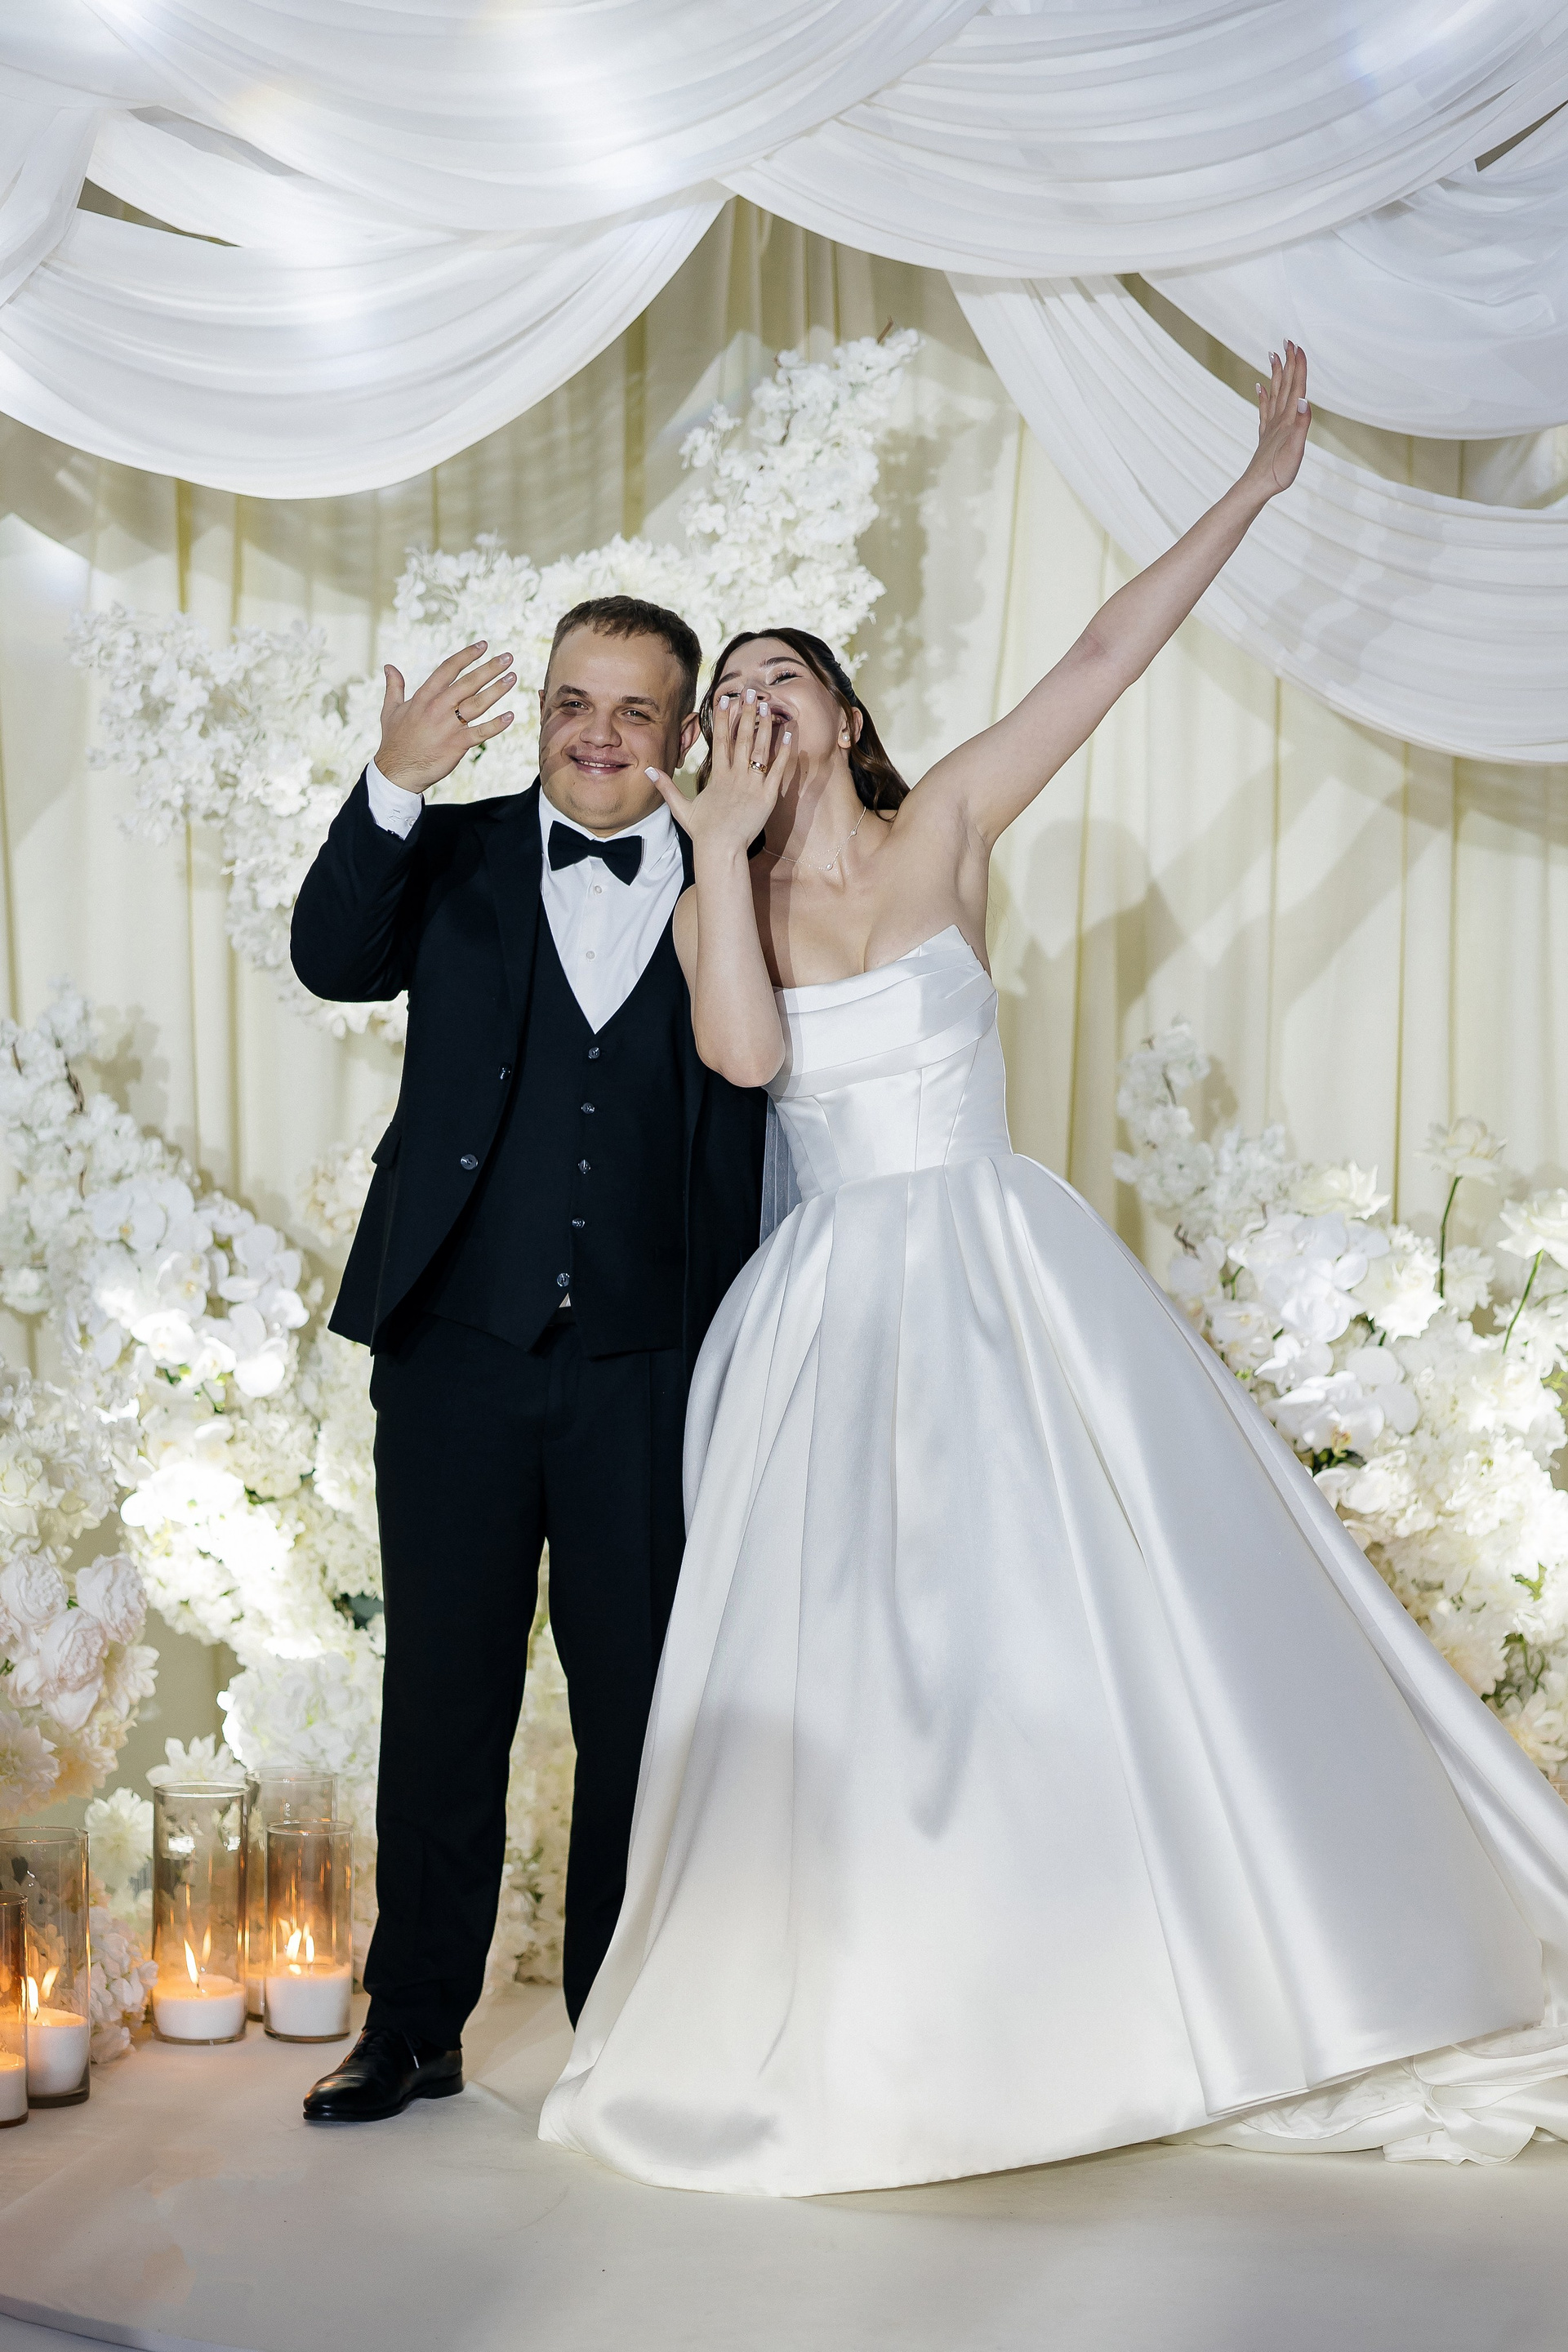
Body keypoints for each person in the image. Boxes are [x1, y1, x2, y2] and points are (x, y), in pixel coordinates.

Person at [540, 347, 1568, 2193]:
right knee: (863, 1670)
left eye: (784, 681)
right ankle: (909, 2010)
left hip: (999, 1272)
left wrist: (1254, 488)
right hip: (831, 1310)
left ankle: (1141, 1976)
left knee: (1070, 1633)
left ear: (848, 717)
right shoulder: (718, 897)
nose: (755, 704)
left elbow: (1100, 655)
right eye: (732, 698)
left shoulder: (943, 826)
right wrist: (716, 855)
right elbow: (749, 1064)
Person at [289, 596, 766, 2123]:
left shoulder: (739, 876)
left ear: (684, 734)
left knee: (639, 1709)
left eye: (634, 710)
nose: (597, 735)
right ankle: (414, 2023)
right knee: (443, 1696)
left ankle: (617, 2029)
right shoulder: (452, 851)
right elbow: (330, 958)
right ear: (542, 712)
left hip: (653, 1360)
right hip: (458, 1350)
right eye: (573, 701)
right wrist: (394, 781)